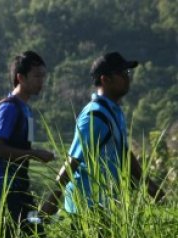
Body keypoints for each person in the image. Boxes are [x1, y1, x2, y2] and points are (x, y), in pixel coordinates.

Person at [41, 52, 163, 217]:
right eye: (122, 74)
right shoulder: (94, 116)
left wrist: (152, 188)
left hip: (106, 204)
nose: (128, 78)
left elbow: (124, 154)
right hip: (87, 207)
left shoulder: (115, 112)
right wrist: (50, 202)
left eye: (128, 73)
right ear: (105, 79)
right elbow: (73, 161)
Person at [0, 51, 55, 238]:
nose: (41, 81)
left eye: (43, 76)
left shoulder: (26, 110)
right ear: (20, 77)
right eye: (37, 76)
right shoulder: (9, 108)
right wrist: (34, 154)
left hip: (20, 189)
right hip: (4, 191)